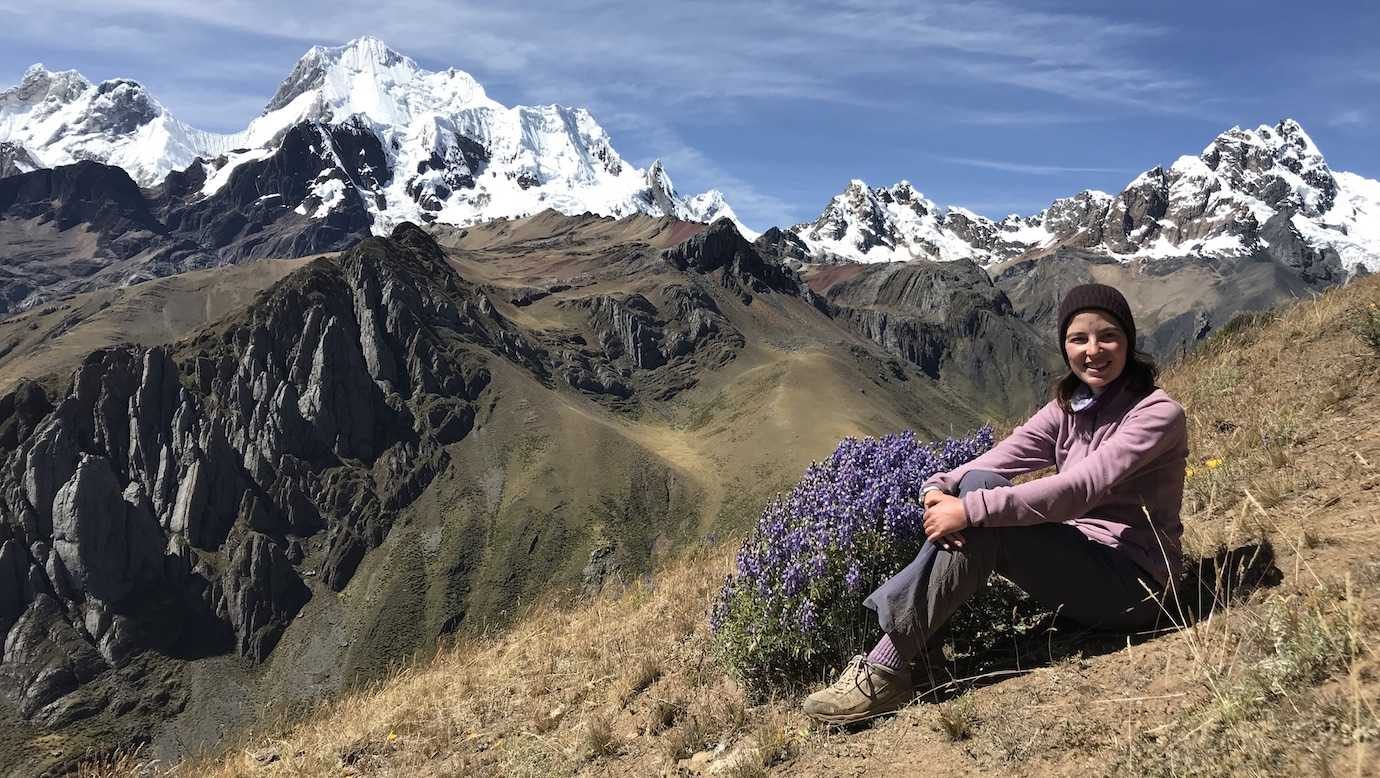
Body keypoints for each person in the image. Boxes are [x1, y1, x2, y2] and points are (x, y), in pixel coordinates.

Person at [802, 283, 1189, 725]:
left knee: (985, 515)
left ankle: (888, 668)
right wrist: (939, 485)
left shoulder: (1157, 414)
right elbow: (994, 462)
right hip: (1084, 561)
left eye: (1108, 336)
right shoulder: (1070, 408)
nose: (1093, 350)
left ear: (1129, 342)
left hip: (1136, 589)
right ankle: (917, 651)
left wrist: (968, 511)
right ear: (1064, 346)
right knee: (981, 483)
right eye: (1078, 339)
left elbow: (1077, 490)